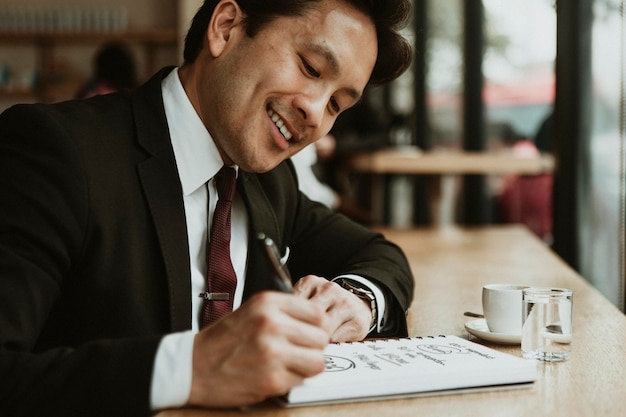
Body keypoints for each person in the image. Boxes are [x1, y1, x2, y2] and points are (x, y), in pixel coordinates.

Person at [0, 0, 414, 416]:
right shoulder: (55, 151)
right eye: (309, 67)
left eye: (336, 105)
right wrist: (189, 367)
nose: (315, 114)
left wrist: (359, 300)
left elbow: (381, 256)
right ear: (226, 27)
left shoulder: (272, 182)